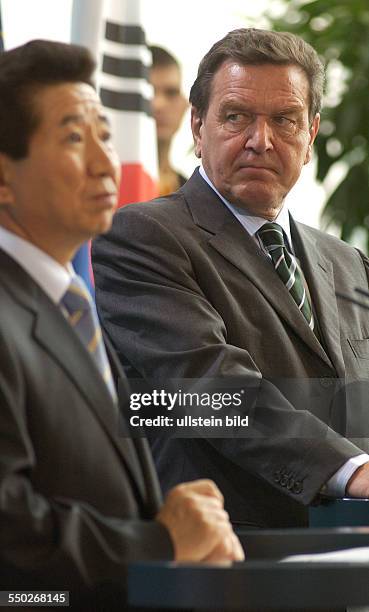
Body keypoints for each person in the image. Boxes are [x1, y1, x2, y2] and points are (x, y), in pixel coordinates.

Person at [0, 39, 244, 611]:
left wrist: (168, 515)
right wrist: (158, 540)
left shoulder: (71, 306)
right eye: (73, 138)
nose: (107, 164)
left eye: (105, 136)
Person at [93, 28, 369, 530]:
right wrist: (350, 468)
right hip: (227, 566)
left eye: (285, 120)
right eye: (236, 116)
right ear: (198, 128)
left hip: (348, 564)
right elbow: (211, 389)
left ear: (310, 137)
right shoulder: (142, 237)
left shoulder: (347, 260)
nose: (260, 141)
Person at [149, 45, 188, 195]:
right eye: (149, 91)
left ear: (185, 104)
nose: (158, 104)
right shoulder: (102, 183)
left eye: (171, 93)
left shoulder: (195, 196)